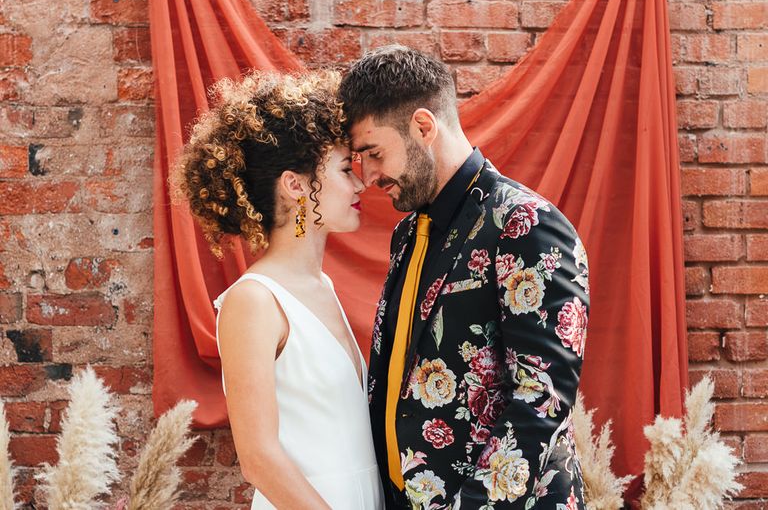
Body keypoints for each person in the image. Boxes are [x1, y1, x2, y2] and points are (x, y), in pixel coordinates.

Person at [339, 46, 589, 509]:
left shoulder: (527, 223)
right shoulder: (407, 234)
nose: (368, 175)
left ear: (422, 126)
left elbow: (543, 397)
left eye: (372, 153)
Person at [172, 70, 384, 510]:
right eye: (346, 169)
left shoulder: (321, 286)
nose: (361, 183)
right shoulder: (253, 301)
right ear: (295, 185)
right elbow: (259, 459)